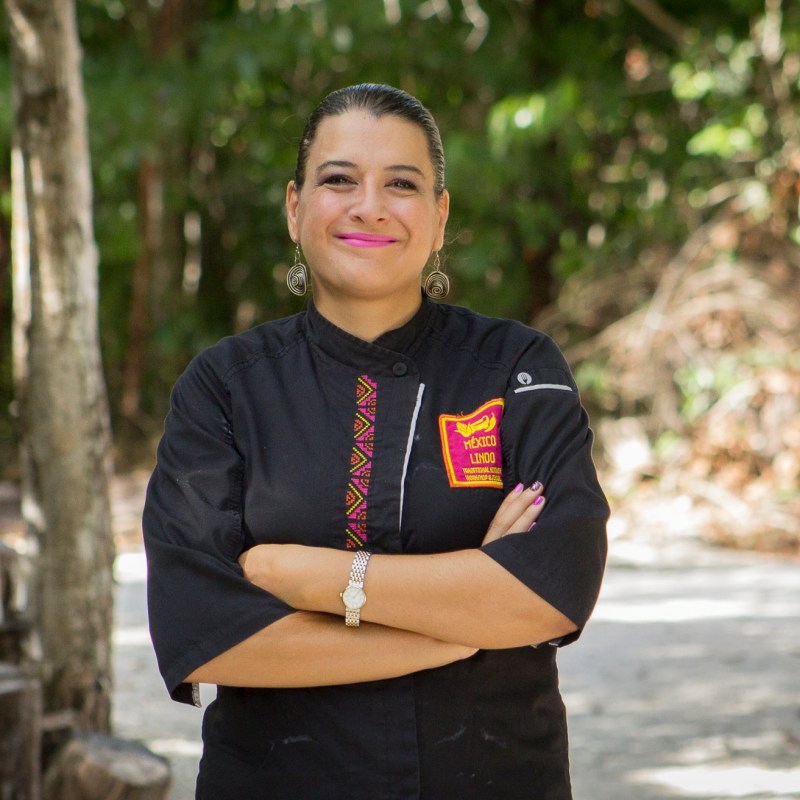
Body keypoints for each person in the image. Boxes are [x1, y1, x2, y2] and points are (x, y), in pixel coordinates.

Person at [143, 83, 608, 800]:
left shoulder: (516, 367)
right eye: (339, 180)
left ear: (440, 216)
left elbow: (553, 589)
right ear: (295, 207)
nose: (371, 205)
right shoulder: (225, 387)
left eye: (402, 183)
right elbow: (206, 635)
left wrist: (305, 575)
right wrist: (462, 625)